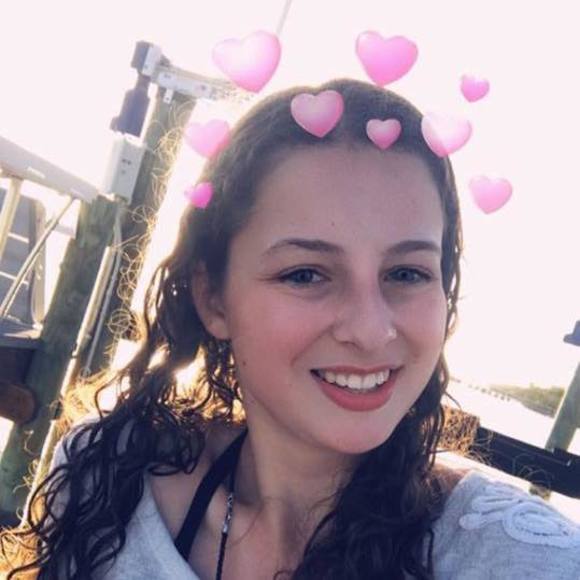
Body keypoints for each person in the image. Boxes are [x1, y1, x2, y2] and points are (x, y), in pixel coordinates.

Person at [2, 78, 580, 580]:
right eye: (305, 274)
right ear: (213, 298)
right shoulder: (108, 474)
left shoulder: (522, 558)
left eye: (407, 273)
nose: (371, 330)